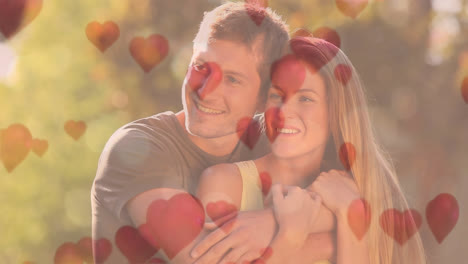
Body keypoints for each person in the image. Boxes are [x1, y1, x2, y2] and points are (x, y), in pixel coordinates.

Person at [91, 2, 335, 263]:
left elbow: (362, 199)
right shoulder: (138, 148)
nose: (206, 90)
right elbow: (207, 259)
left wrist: (270, 223)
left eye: (232, 79)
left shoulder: (276, 141)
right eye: (200, 67)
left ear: (264, 97)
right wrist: (309, 236)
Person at [196, 37, 427, 264]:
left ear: (335, 113)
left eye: (305, 98)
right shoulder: (224, 183)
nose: (283, 112)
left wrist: (347, 214)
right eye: (276, 95)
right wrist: (293, 237)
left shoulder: (351, 192)